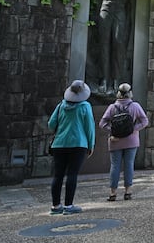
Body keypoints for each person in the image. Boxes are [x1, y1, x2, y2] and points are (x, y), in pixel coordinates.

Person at [48, 80, 96, 215]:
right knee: (72, 174)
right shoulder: (85, 106)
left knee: (58, 175)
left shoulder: (61, 106)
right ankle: (69, 205)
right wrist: (91, 144)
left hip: (59, 144)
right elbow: (89, 127)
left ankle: (56, 205)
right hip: (78, 144)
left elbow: (51, 124)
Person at [99, 82, 149, 201]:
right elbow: (144, 121)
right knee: (129, 165)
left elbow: (102, 123)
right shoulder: (135, 106)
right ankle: (128, 191)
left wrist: (113, 131)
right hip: (131, 140)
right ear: (130, 93)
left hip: (115, 140)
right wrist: (133, 129)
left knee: (115, 166)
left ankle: (113, 193)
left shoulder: (112, 107)